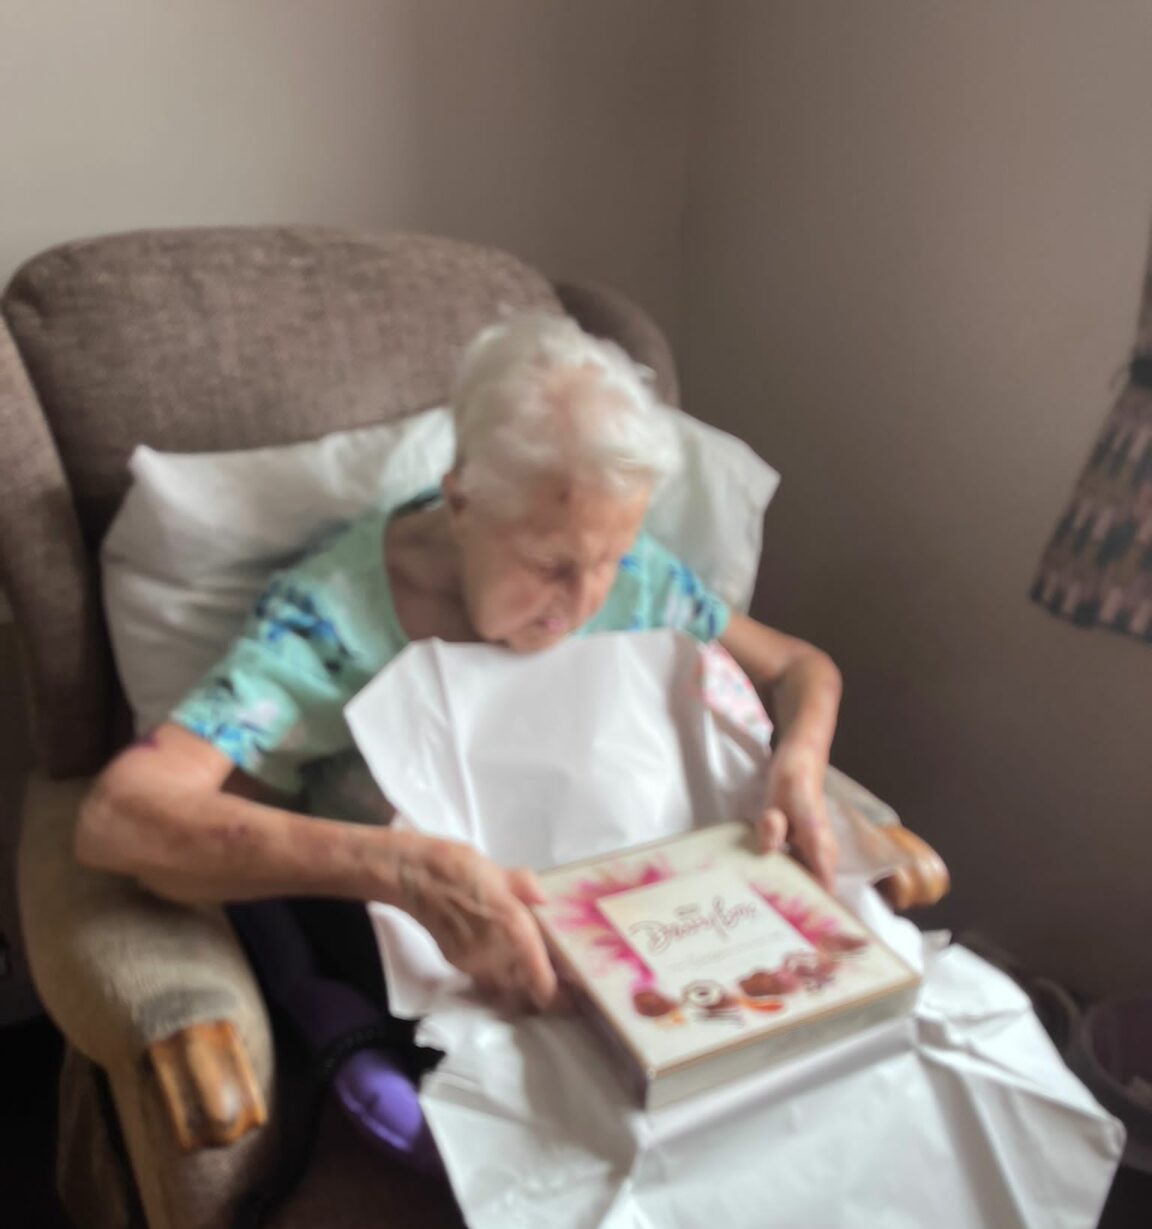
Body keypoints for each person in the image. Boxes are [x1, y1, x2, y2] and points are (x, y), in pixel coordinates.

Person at [77, 312, 842, 1017]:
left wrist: (799, 767)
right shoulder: (334, 623)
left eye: (608, 557)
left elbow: (801, 668)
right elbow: (119, 818)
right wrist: (405, 872)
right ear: (461, 504)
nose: (585, 599)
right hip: (448, 993)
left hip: (658, 934)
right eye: (550, 564)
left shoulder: (632, 575)